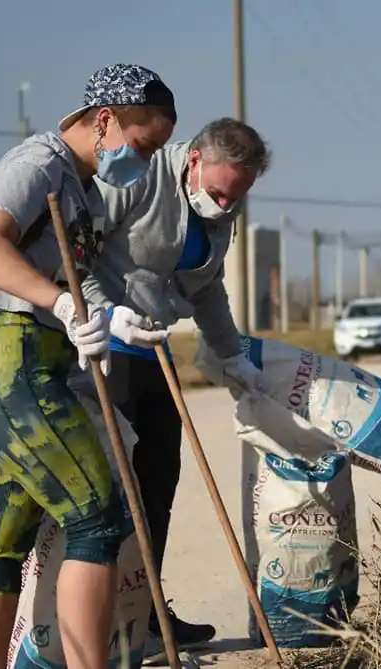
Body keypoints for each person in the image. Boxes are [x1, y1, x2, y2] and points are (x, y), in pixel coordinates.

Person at [0, 64, 177, 669]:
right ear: (106, 120)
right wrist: (61, 303)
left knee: (3, 542)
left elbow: (74, 276)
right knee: (98, 520)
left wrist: (108, 315)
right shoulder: (39, 163)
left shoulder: (85, 186)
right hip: (5, 362)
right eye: (143, 145)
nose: (145, 163)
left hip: (17, 367)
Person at [81, 117, 271, 663]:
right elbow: (79, 252)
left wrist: (232, 354)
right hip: (106, 348)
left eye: (236, 199)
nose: (224, 205)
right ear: (193, 161)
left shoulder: (221, 215)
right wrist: (105, 312)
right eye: (217, 193)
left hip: (156, 353)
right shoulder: (137, 177)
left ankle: (147, 615)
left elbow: (207, 289)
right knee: (117, 495)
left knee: (159, 487)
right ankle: (108, 627)